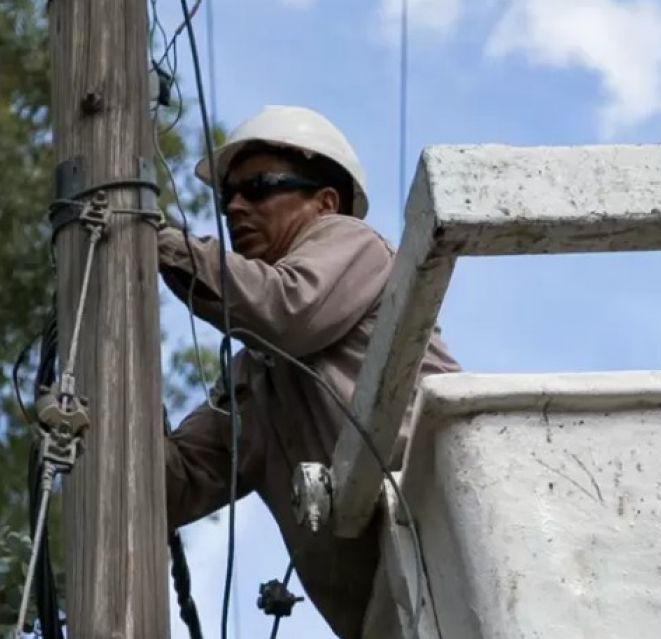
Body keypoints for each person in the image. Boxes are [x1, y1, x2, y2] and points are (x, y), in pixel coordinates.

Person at [158, 105, 460, 638]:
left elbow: (287, 310)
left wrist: (155, 241)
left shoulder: (354, 245)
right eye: (228, 197)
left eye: (259, 188)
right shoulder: (254, 379)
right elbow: (171, 486)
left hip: (452, 545)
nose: (234, 207)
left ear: (326, 203)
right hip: (389, 618)